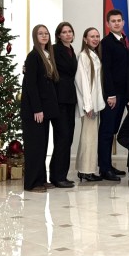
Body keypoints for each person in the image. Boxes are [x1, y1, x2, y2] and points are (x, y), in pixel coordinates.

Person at [20, 24, 59, 193]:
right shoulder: (33, 56)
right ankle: (32, 183)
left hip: (45, 109)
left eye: (46, 33)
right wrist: (37, 109)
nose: (44, 36)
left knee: (42, 145)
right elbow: (31, 85)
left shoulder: (47, 54)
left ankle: (41, 179)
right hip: (34, 111)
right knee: (34, 147)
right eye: (40, 34)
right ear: (35, 37)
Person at [98, 9, 129, 181]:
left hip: (122, 93)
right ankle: (104, 168)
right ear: (108, 24)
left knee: (113, 130)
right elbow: (106, 70)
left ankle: (109, 165)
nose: (117, 23)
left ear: (123, 23)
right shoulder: (106, 43)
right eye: (113, 21)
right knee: (107, 131)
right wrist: (110, 94)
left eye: (119, 20)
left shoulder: (123, 40)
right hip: (112, 95)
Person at [74, 27, 104, 182]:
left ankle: (84, 169)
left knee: (90, 137)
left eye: (97, 36)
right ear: (85, 39)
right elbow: (83, 82)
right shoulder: (83, 56)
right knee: (89, 138)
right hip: (89, 105)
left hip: (94, 103)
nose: (95, 39)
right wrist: (88, 105)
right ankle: (86, 171)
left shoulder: (93, 55)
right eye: (92, 36)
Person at [49, 22, 77, 188]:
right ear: (59, 35)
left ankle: (61, 175)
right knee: (62, 137)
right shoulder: (54, 49)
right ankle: (57, 176)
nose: (67, 34)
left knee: (68, 137)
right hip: (59, 98)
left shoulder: (71, 50)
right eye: (64, 32)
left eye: (70, 31)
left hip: (70, 98)